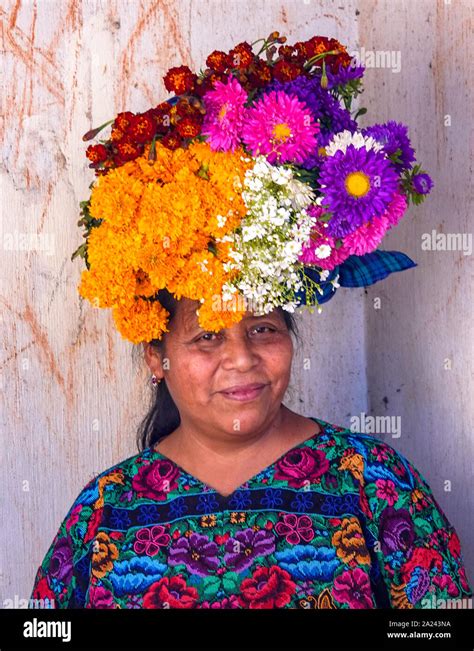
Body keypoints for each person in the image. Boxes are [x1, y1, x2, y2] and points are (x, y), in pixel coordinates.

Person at [29, 30, 472, 608]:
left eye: (262, 327)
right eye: (207, 336)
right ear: (155, 358)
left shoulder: (375, 485)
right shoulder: (104, 513)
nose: (241, 358)